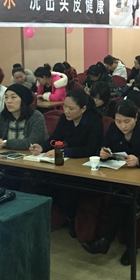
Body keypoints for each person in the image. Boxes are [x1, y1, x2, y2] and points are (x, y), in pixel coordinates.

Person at [81, 100, 140, 265]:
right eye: (118, 121)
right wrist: (103, 153)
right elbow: (102, 147)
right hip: (122, 180)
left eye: (127, 121)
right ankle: (122, 245)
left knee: (125, 201)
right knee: (121, 198)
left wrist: (139, 161)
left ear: (136, 117)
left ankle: (113, 243)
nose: (122, 126)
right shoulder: (113, 129)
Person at [29, 89, 104, 235]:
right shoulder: (64, 119)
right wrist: (42, 147)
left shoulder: (94, 121)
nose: (66, 111)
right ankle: (55, 218)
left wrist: (63, 152)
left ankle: (71, 219)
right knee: (42, 181)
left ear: (83, 109)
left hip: (87, 166)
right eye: (64, 107)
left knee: (69, 189)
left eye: (71, 108)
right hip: (69, 164)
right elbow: (55, 137)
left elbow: (91, 149)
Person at [0, 84, 48, 150]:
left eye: (13, 97)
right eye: (6, 97)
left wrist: (6, 143)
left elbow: (33, 141)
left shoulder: (35, 117)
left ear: (23, 100)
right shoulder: (3, 117)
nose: (8, 101)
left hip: (29, 157)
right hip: (6, 157)